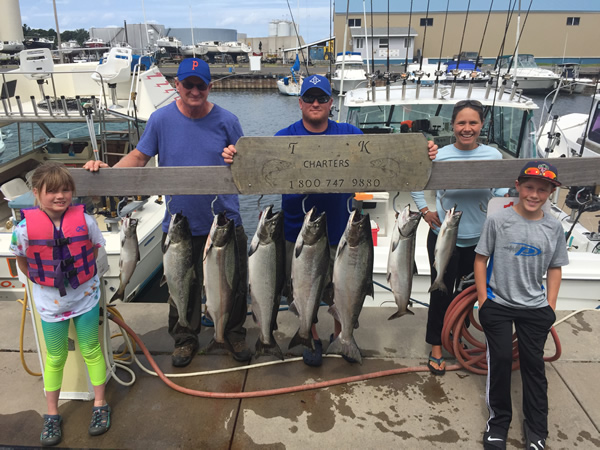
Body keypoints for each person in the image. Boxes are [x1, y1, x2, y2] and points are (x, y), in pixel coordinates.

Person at [224, 74, 438, 367]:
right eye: (309, 98)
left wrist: (421, 153)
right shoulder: (283, 137)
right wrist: (235, 156)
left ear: (330, 103)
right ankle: (309, 335)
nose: (315, 103)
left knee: (342, 288)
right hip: (296, 230)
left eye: (322, 98)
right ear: (299, 103)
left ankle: (343, 336)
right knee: (302, 286)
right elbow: (258, 164)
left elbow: (386, 156)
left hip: (342, 230)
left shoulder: (349, 132)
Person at [84, 58, 251, 367]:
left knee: (234, 283)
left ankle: (233, 332)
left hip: (224, 222)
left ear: (209, 87)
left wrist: (235, 157)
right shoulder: (160, 120)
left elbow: (246, 164)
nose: (195, 90)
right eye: (189, 84)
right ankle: (185, 338)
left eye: (201, 85)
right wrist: (106, 175)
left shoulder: (228, 120)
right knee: (179, 287)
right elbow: (138, 156)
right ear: (178, 86)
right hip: (179, 224)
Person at [10, 162, 111, 446]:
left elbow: (93, 248)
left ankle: (100, 404)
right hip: (50, 306)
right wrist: (41, 279)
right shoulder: (23, 229)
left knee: (92, 349)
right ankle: (52, 413)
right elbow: (21, 258)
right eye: (52, 191)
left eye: (66, 190)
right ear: (36, 193)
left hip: (86, 299)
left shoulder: (87, 221)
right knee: (55, 358)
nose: (60, 196)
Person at [474, 160, 569, 450]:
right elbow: (481, 259)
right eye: (529, 187)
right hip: (499, 303)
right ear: (517, 186)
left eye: (543, 190)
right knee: (501, 361)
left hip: (535, 308)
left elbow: (555, 268)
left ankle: (537, 431)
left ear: (551, 192)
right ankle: (498, 423)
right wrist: (483, 300)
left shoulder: (554, 228)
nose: (534, 194)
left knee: (533, 367)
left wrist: (550, 305)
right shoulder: (498, 221)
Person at [410, 99, 508, 376]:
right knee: (440, 292)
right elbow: (415, 181)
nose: (467, 128)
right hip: (443, 238)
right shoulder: (438, 155)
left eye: (473, 123)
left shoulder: (493, 156)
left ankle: (458, 335)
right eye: (461, 123)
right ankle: (437, 346)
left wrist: (511, 196)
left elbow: (499, 192)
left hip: (478, 240)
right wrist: (425, 210)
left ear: (482, 125)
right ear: (453, 125)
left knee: (468, 295)